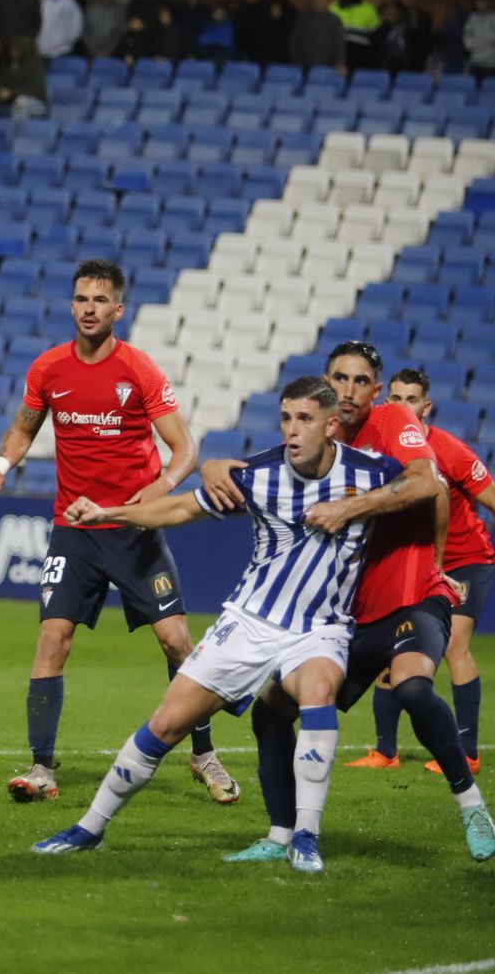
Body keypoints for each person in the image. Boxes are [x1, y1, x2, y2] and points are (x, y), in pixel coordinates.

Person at [33, 378, 396, 870]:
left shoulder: (371, 473)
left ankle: (306, 837)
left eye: (304, 419)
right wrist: (108, 514)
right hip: (249, 621)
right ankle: (89, 828)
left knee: (318, 690)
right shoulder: (258, 474)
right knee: (166, 723)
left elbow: (427, 485)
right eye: (286, 418)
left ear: (331, 425)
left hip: (320, 628)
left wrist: (434, 563)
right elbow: (182, 507)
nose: (292, 430)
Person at [199, 343, 494, 863]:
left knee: (413, 686)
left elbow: (429, 484)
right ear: (326, 381)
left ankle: (471, 805)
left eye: (361, 381)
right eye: (340, 379)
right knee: (270, 714)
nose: (349, 390)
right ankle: (281, 835)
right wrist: (213, 465)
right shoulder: (318, 434)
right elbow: (265, 471)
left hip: (412, 596)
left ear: (376, 390)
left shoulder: (394, 420)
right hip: (350, 615)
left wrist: (426, 557)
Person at [0, 259, 239, 805]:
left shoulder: (138, 369)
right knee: (53, 638)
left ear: (118, 310)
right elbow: (23, 428)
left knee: (176, 642)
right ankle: (41, 768)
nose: (89, 309)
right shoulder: (48, 369)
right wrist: (0, 467)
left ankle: (203, 754)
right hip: (74, 529)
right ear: (71, 305)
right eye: (81, 299)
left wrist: (161, 486)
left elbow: (185, 449)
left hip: (132, 529)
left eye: (100, 300)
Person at [350, 368, 491, 775]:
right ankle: (385, 751)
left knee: (454, 646)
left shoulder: (451, 450)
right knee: (392, 645)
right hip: (412, 560)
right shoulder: (380, 449)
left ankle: (467, 753)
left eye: (410, 400)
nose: (402, 407)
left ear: (425, 406)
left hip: (464, 559)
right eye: (395, 399)